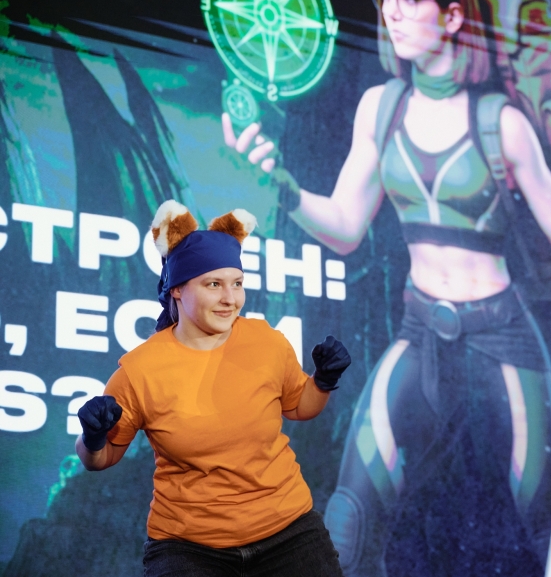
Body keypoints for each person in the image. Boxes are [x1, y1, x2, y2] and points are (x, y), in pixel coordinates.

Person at [222, 0, 551, 576]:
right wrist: (282, 187)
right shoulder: (381, 109)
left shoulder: (502, 122)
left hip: (503, 341)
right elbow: (346, 226)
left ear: (452, 16)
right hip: (420, 332)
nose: (391, 11)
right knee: (348, 520)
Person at [75, 200, 352, 577]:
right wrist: (92, 437)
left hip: (288, 531)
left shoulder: (267, 341)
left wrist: (323, 380)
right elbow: (100, 459)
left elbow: (299, 406)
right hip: (189, 548)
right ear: (177, 289)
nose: (230, 299)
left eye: (237, 283)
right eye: (214, 285)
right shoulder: (140, 370)